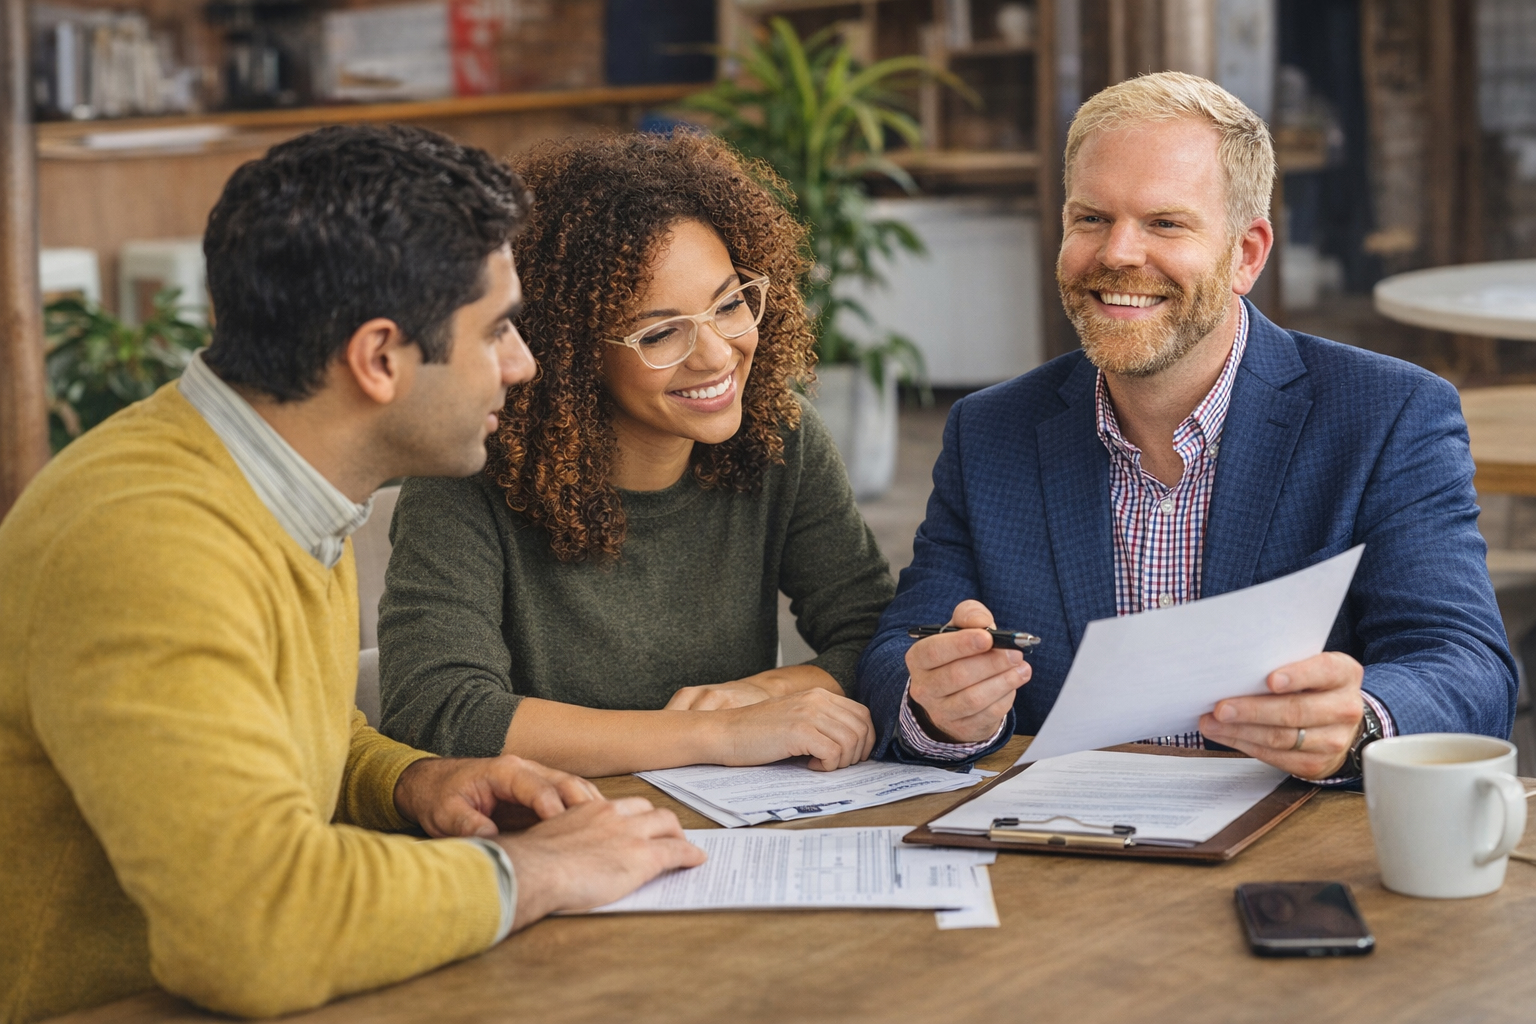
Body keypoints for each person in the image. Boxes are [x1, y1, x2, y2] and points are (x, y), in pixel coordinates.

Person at [0, 125, 704, 1024]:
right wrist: (539, 869)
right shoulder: (147, 543)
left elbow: (275, 732)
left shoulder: (279, 479)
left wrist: (412, 782)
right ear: (378, 358)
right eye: (495, 330)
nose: (523, 364)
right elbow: (253, 929)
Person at [854, 72, 1517, 779]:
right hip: (1062, 854)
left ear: (1247, 255)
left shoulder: (1388, 414)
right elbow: (902, 644)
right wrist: (936, 709)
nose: (1117, 254)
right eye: (1090, 219)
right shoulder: (988, 432)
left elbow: (1468, 666)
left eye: (1165, 223)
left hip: (1294, 849)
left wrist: (1361, 722)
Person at [377, 132, 893, 778]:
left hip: (741, 835)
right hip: (562, 837)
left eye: (730, 303)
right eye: (660, 332)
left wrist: (769, 693)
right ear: (571, 352)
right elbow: (439, 710)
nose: (715, 354)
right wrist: (720, 735)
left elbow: (878, 633)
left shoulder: (777, 434)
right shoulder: (467, 473)